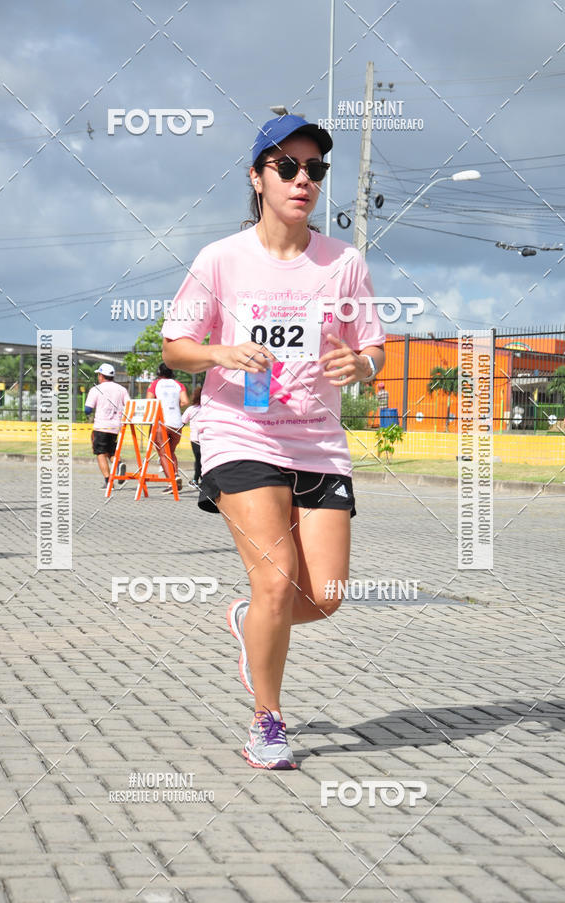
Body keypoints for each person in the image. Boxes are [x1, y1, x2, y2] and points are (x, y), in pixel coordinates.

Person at [162, 114, 385, 769]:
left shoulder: (343, 263)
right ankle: (268, 720)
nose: (303, 180)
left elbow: (371, 344)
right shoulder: (221, 260)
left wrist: (362, 365)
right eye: (287, 167)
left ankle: (253, 618)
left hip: (318, 444)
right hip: (241, 434)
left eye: (314, 170)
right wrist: (221, 351)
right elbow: (176, 347)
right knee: (276, 580)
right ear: (257, 178)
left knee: (322, 597)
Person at [84, 363, 130, 488]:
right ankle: (119, 465)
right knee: (112, 451)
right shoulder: (122, 389)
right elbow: (129, 406)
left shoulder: (96, 389)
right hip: (116, 427)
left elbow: (88, 409)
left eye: (99, 374)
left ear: (101, 376)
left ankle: (108, 481)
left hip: (101, 426)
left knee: (100, 453)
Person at [146, 363, 190, 491]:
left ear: (159, 372)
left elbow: (149, 401)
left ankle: (173, 480)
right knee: (170, 452)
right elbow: (185, 401)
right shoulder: (178, 384)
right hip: (177, 422)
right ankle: (174, 477)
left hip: (162, 422)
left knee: (163, 454)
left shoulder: (155, 384)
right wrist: (174, 407)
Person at [181, 384, 203, 488]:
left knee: (198, 459)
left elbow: (182, 422)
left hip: (195, 439)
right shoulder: (209, 409)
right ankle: (201, 479)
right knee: (203, 460)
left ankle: (195, 479)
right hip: (207, 439)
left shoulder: (191, 409)